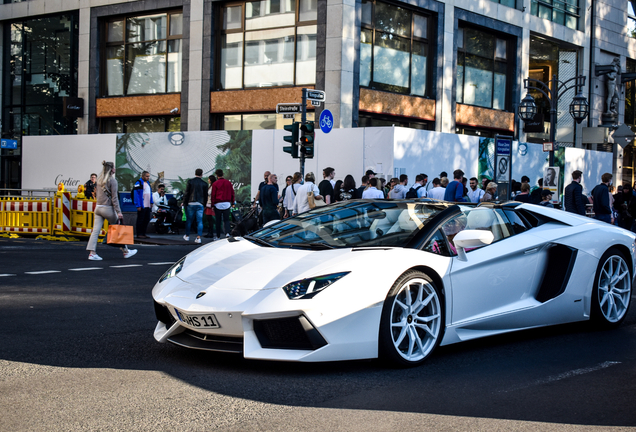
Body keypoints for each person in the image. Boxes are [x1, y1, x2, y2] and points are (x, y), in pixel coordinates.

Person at [86, 161, 137, 261]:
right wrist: (119, 212)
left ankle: (92, 253)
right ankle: (125, 251)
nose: (115, 169)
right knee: (118, 227)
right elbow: (114, 198)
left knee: (95, 231)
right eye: (114, 167)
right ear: (111, 169)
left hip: (98, 208)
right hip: (107, 209)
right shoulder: (112, 181)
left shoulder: (99, 180)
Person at [183, 168, 208, 244]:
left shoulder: (190, 182)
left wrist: (185, 203)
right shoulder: (204, 184)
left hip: (191, 203)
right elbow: (205, 195)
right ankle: (198, 238)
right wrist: (204, 204)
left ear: (195, 173)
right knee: (199, 221)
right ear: (201, 174)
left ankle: (187, 236)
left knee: (189, 220)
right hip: (200, 204)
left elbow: (187, 193)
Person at [211, 169, 235, 239]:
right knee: (226, 220)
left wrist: (212, 205)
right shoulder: (228, 183)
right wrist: (233, 202)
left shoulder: (215, 184)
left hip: (217, 204)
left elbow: (213, 195)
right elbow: (232, 193)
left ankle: (218, 236)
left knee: (218, 221)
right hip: (227, 203)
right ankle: (227, 233)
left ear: (216, 175)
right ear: (223, 174)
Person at [132, 170, 153, 239]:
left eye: (148, 176)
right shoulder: (138, 183)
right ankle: (139, 233)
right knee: (140, 219)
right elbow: (136, 194)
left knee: (146, 219)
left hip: (148, 205)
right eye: (146, 176)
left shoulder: (148, 183)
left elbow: (150, 193)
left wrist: (151, 202)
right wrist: (138, 205)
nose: (148, 177)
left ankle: (143, 233)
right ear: (143, 176)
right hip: (142, 205)